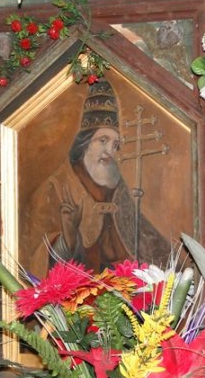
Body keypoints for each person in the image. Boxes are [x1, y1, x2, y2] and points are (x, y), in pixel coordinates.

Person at [22, 79, 172, 278]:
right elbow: (35, 260)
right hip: (83, 288)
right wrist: (68, 239)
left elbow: (145, 240)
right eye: (103, 140)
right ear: (85, 142)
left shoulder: (117, 186)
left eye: (115, 145)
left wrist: (173, 267)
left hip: (124, 284)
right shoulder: (56, 187)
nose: (110, 151)